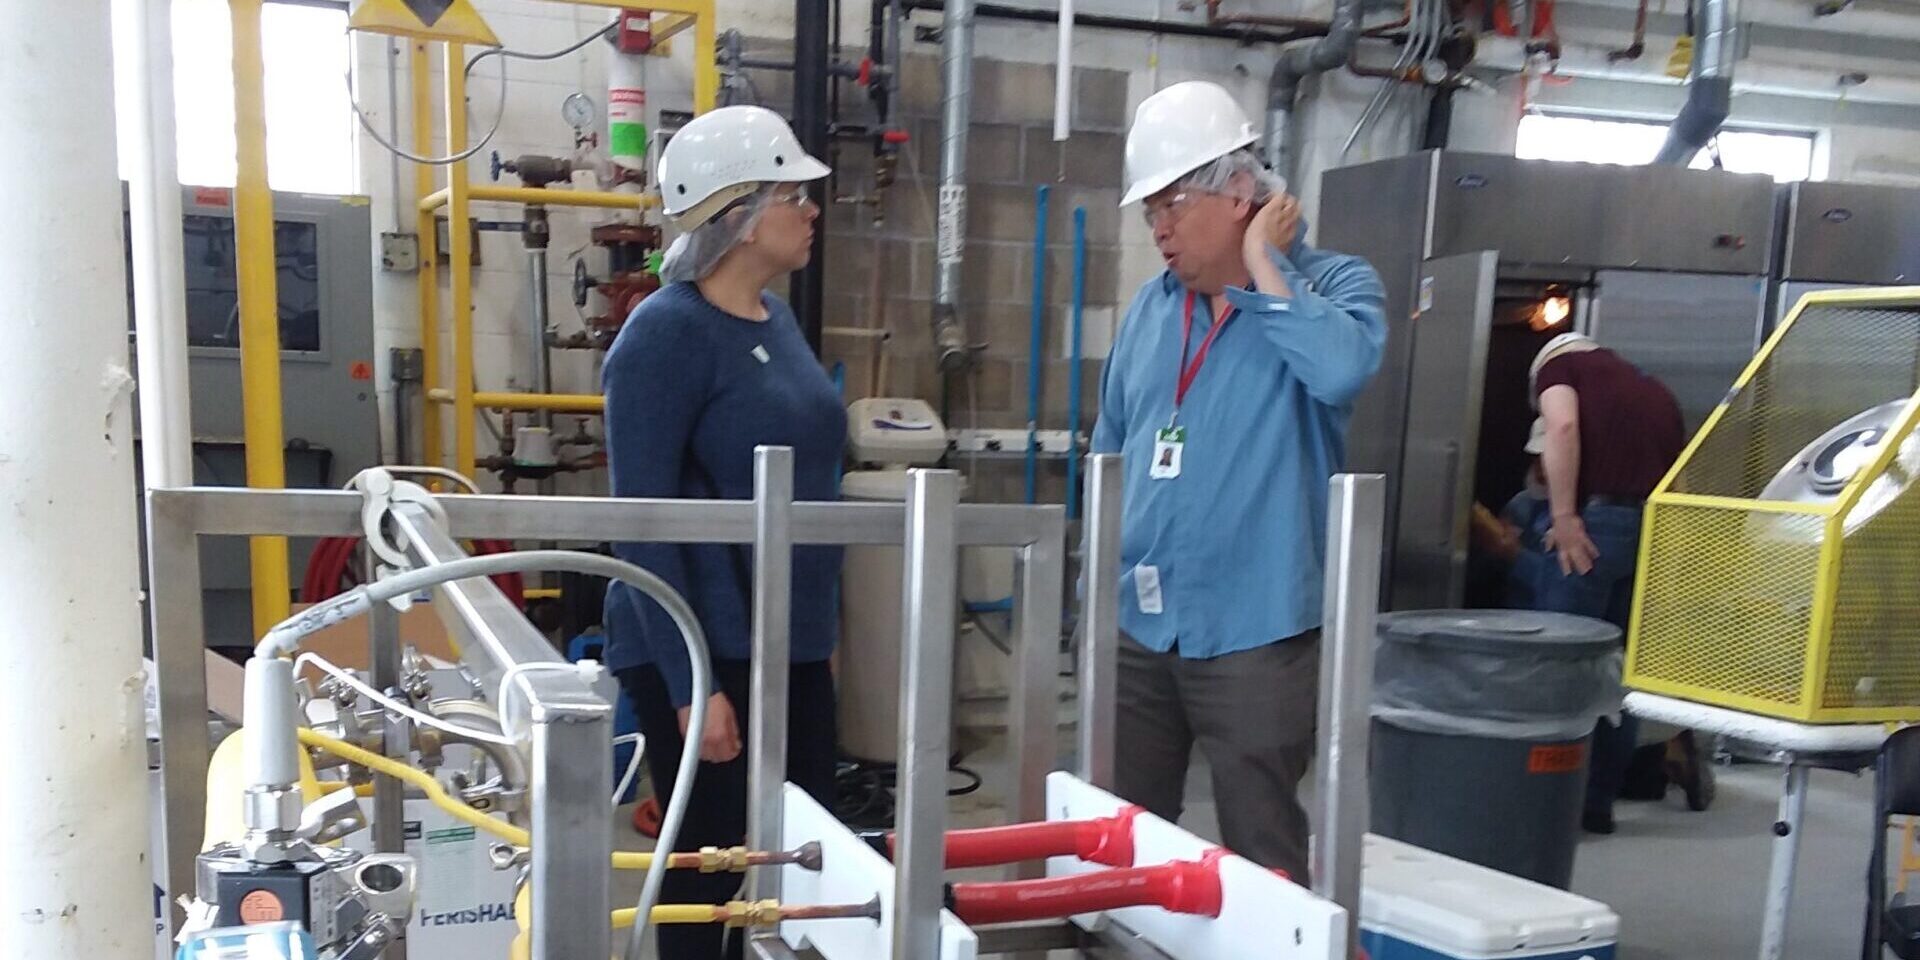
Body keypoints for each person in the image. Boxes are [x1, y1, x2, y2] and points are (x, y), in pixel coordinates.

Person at [1090, 80, 1387, 881]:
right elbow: (1110, 453)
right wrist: (1098, 591)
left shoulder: (1333, 287)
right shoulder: (1151, 314)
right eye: (1150, 209)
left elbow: (1342, 371)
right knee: (1124, 838)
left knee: (1261, 851)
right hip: (1142, 627)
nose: (1158, 227)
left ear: (1240, 192)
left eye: (1172, 203)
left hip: (1257, 632)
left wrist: (1262, 267)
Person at [600, 105, 845, 960]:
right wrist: (689, 680)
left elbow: (813, 490)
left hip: (789, 642)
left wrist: (821, 638)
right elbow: (641, 517)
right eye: (792, 193)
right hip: (704, 642)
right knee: (713, 864)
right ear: (738, 213)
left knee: (805, 854)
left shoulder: (777, 323)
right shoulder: (663, 335)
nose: (812, 208)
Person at [1525, 331, 1708, 832]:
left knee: (1560, 664)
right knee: (1616, 672)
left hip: (1595, 526)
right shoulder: (1656, 391)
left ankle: (1546, 801)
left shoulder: (1560, 370)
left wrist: (1563, 516)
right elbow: (1682, 478)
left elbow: (1561, 426)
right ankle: (1596, 803)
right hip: (1651, 532)